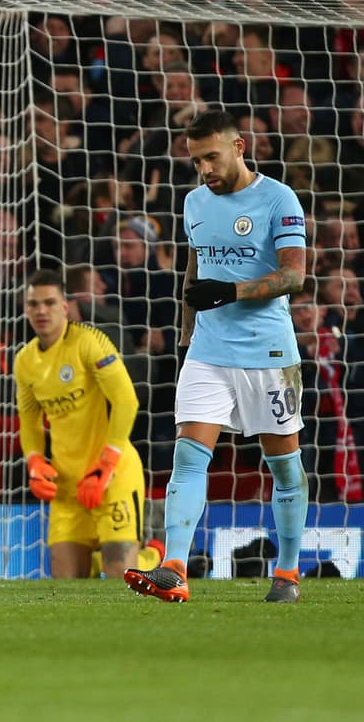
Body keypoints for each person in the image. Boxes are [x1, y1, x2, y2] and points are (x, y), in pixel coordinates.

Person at [125, 109, 308, 604]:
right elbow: (194, 271)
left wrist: (233, 291)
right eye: (196, 160)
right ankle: (175, 567)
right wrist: (186, 341)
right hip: (208, 352)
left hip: (270, 353)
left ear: (239, 146)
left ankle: (288, 573)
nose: (205, 169)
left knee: (285, 468)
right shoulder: (193, 203)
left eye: (211, 157)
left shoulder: (278, 199)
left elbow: (294, 276)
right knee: (187, 456)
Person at [15, 269, 150, 578]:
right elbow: (30, 421)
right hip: (67, 488)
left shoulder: (91, 343)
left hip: (112, 476)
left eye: (49, 303)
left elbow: (127, 401)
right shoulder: (24, 361)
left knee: (123, 578)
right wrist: (35, 462)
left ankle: (152, 555)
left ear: (65, 306)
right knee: (66, 586)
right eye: (33, 304)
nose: (41, 311)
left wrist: (106, 465)